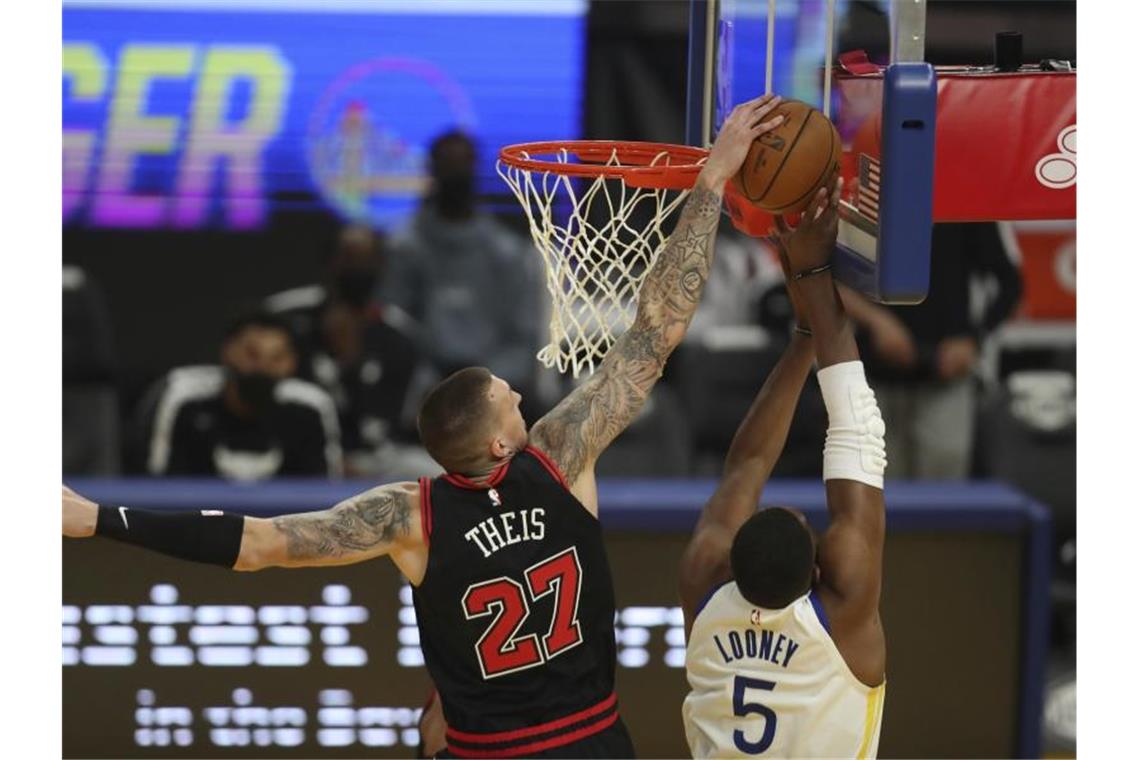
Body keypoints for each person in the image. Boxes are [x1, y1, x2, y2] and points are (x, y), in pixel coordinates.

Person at [63, 94, 787, 758]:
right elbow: (655, 332)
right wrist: (712, 180)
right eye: (511, 399)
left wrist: (100, 518)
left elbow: (255, 544)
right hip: (592, 741)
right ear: (502, 442)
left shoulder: (410, 514)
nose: (522, 400)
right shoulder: (560, 456)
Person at [680, 178, 889, 758]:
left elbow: (846, 436)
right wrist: (813, 282)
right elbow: (751, 466)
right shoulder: (709, 583)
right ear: (818, 573)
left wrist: (808, 315)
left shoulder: (711, 590)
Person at [838, 222, 1021, 478]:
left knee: (943, 494)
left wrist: (971, 341)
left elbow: (1010, 284)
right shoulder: (863, 192)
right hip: (873, 379)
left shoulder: (965, 199)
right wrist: (876, 321)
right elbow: (826, 276)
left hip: (946, 376)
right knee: (876, 492)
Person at [383, 130, 542, 401]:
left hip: (492, 390)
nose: (454, 175)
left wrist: (480, 389)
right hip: (422, 390)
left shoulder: (508, 252)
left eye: (461, 165)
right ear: (432, 170)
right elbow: (391, 327)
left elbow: (523, 341)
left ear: (474, 169)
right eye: (447, 166)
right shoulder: (404, 247)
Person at [266, 223, 428, 478]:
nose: (359, 269)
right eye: (350, 258)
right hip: (290, 448)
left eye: (368, 260)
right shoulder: (286, 318)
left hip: (370, 459)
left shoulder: (398, 336)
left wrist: (351, 362)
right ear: (330, 262)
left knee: (430, 471)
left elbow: (386, 424)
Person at [140, 312, 343, 480]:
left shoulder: (311, 408)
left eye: (277, 357)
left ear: (292, 362)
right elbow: (158, 487)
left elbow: (325, 499)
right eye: (252, 354)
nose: (263, 367)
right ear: (227, 351)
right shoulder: (185, 399)